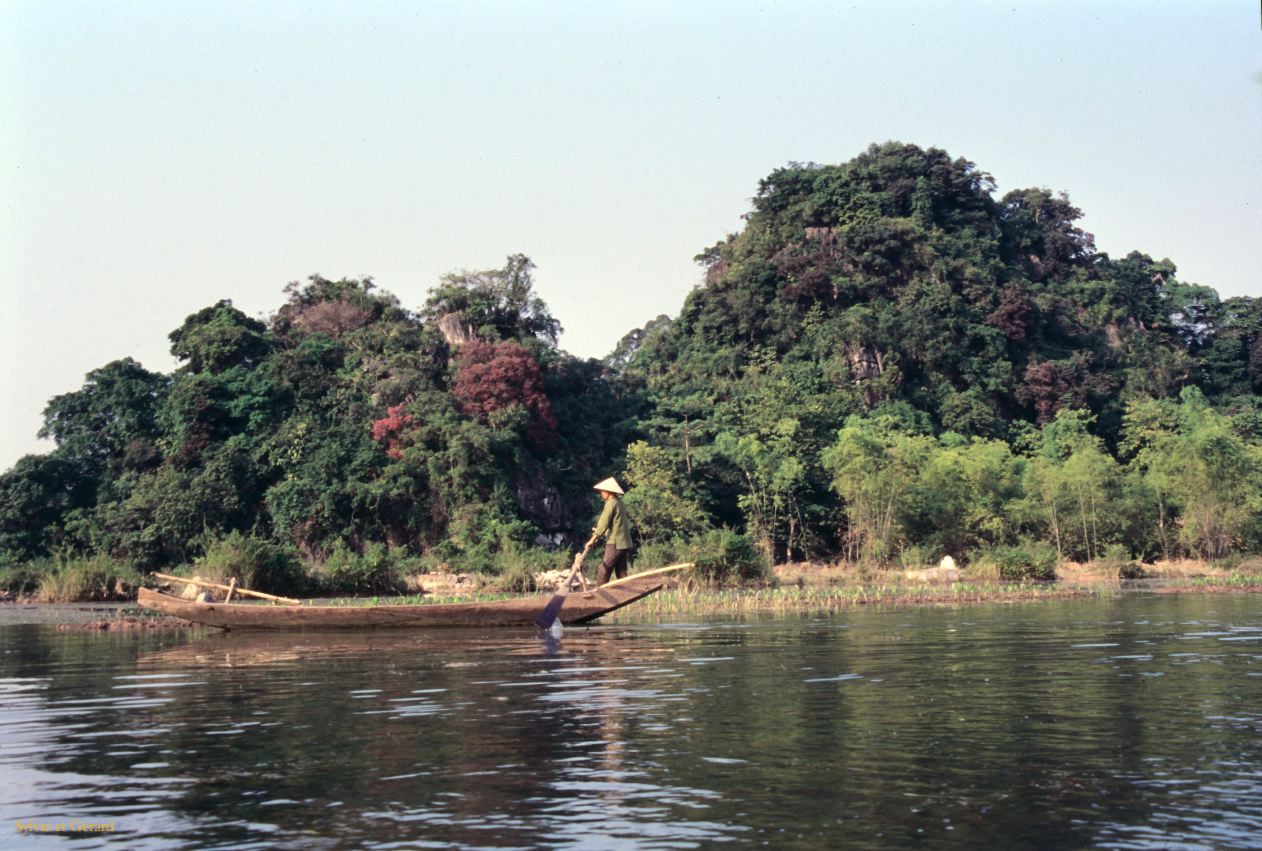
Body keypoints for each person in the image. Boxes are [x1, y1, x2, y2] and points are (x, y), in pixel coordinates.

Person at [583, 477, 634, 587]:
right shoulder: (619, 502)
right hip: (624, 541)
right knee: (621, 572)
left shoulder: (611, 503)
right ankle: (625, 594)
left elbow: (603, 523)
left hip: (615, 542)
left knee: (603, 568)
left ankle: (599, 593)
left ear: (609, 492)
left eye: (603, 491)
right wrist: (602, 532)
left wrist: (592, 539)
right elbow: (615, 524)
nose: (601, 493)